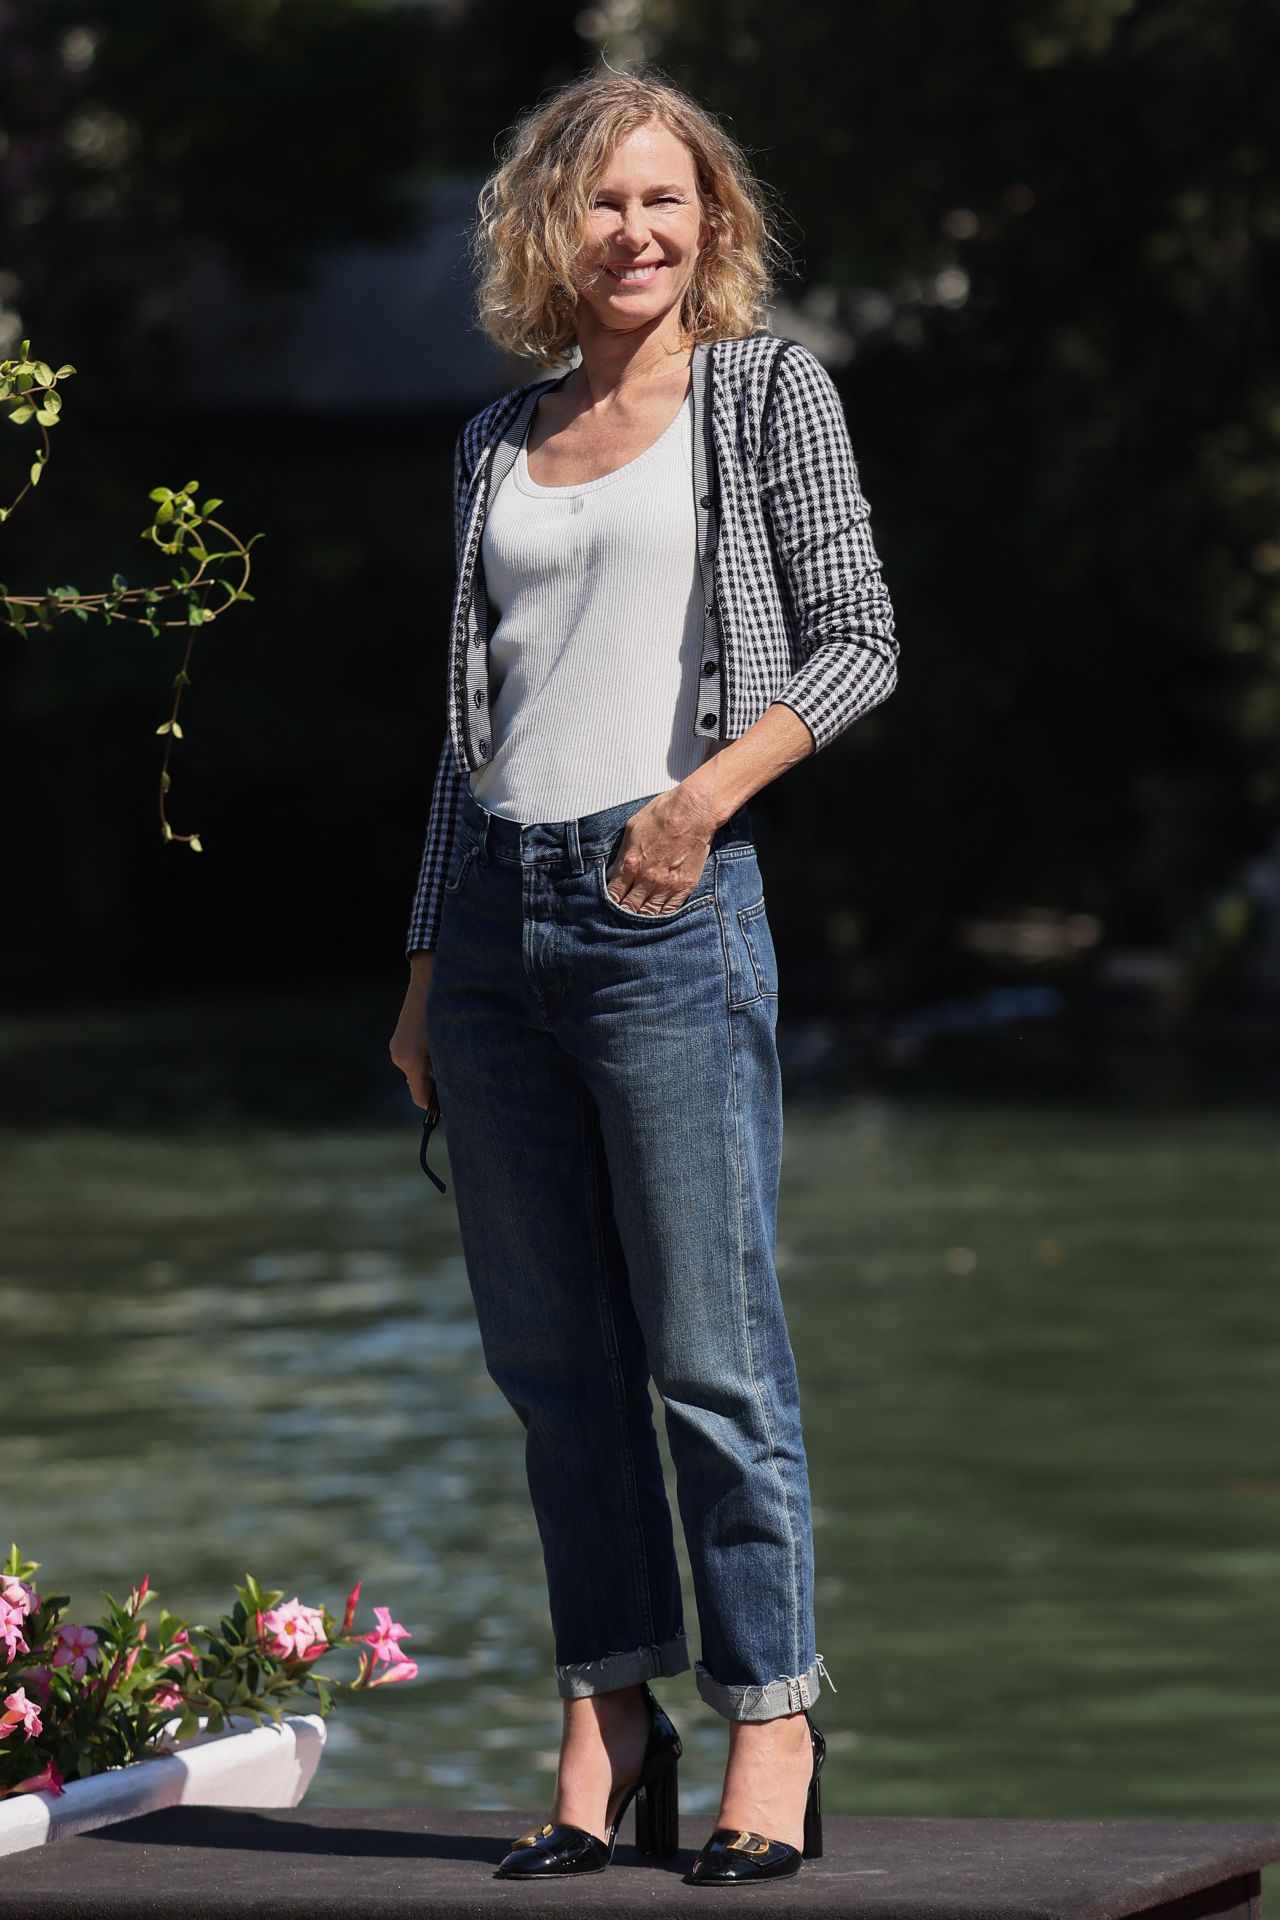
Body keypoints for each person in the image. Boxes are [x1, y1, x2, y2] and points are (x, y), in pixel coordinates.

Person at [388, 66, 898, 1885]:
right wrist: (430, 963)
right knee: (551, 1363)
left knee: (711, 1354)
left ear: (712, 224)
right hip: (501, 930)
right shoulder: (491, 442)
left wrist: (698, 805)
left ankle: (775, 1713)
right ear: (549, 225)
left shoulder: (765, 395)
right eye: (602, 202)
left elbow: (859, 646)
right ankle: (610, 1706)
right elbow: (468, 736)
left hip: (667, 910)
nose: (636, 231)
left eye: (666, 200)